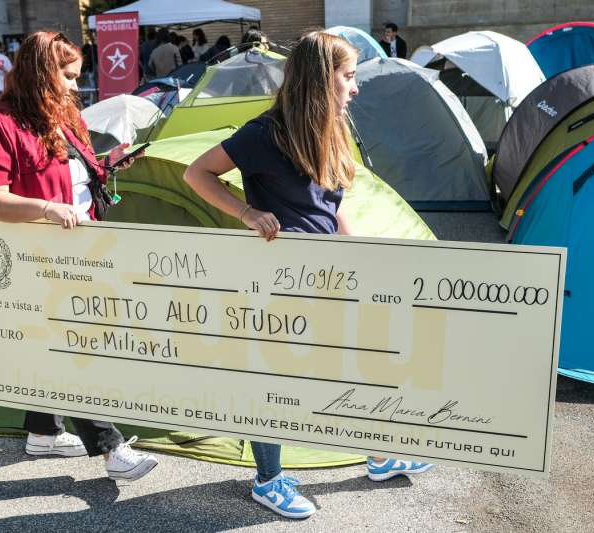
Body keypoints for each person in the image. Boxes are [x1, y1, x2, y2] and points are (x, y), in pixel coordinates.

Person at [184, 30, 432, 520]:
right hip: (277, 279)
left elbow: (329, 206)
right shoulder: (263, 133)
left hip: (328, 275)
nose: (355, 88)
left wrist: (353, 249)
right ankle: (268, 480)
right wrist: (246, 214)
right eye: (349, 76)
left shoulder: (331, 130)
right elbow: (197, 173)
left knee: (357, 366)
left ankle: (380, 457)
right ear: (323, 79)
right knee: (274, 379)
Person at [0, 31, 158, 482]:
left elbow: (70, 179)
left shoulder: (64, 118)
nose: (76, 85)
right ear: (41, 75)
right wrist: (48, 209)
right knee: (75, 349)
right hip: (38, 259)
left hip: (81, 251)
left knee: (57, 346)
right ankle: (111, 449)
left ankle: (44, 432)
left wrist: (106, 164)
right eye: (67, 76)